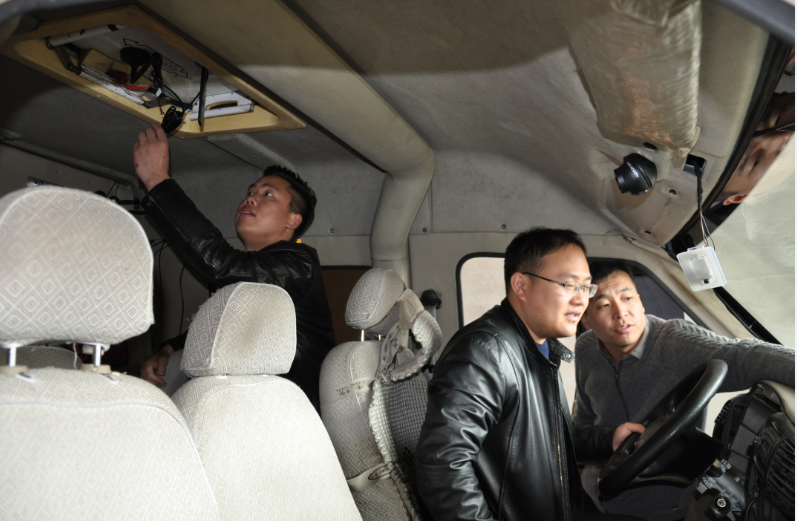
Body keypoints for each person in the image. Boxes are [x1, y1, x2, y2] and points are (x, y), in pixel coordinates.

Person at [415, 228, 646, 521]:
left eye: (586, 287)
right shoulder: (483, 352)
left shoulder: (539, 347)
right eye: (569, 285)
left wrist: (608, 439)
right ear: (521, 285)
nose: (581, 300)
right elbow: (442, 464)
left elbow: (544, 438)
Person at [133, 123, 336, 409]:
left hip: (288, 413)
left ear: (293, 220)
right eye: (251, 191)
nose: (250, 197)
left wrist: (157, 180)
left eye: (268, 194)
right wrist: (168, 349)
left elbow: (220, 263)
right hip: (246, 405)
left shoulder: (299, 265)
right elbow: (219, 325)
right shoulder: (252, 274)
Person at [574, 260, 795, 521]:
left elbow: (748, 357)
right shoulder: (586, 348)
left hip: (660, 509)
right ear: (586, 319)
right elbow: (582, 421)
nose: (621, 313)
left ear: (641, 302)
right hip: (592, 492)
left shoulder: (678, 342)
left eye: (627, 297)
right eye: (603, 305)